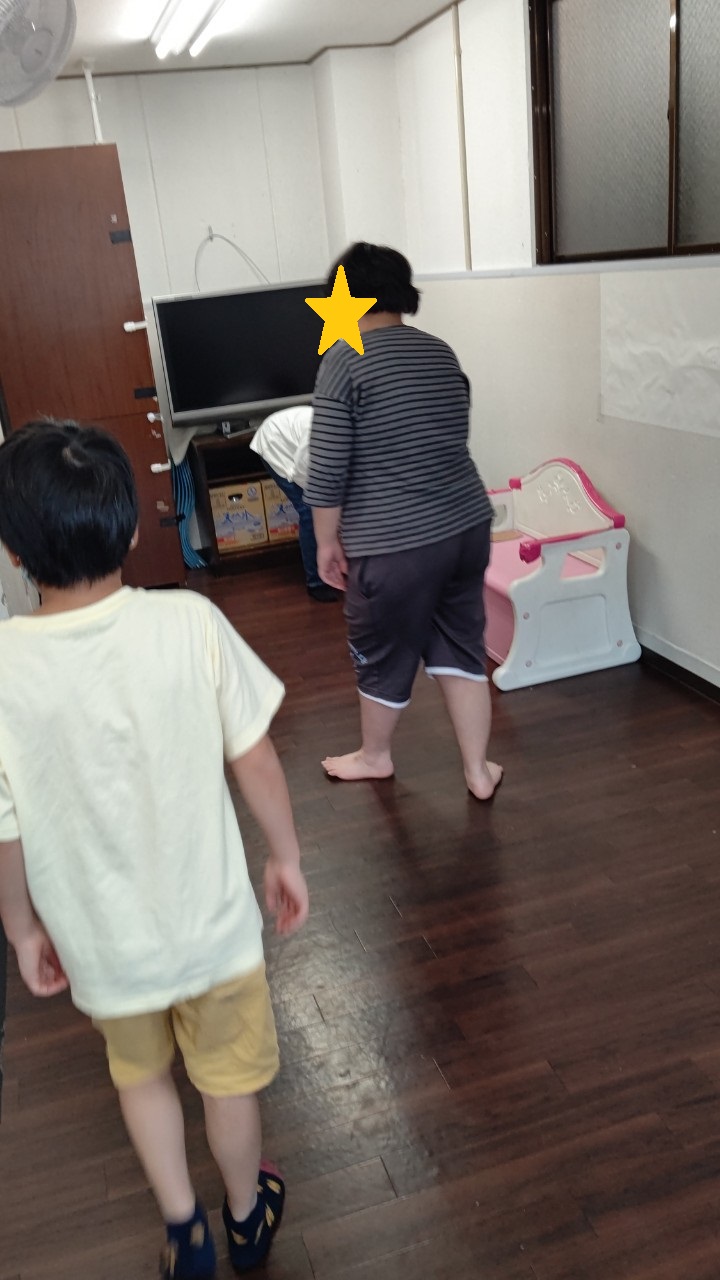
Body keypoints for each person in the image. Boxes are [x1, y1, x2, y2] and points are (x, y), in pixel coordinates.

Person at [0, 421, 309, 1280]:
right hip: (213, 930)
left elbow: (6, 828)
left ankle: (185, 1233)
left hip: (104, 943)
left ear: (14, 551)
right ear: (134, 529)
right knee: (228, 1082)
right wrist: (284, 856)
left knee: (139, 1079)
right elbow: (255, 755)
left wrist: (21, 930)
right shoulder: (190, 622)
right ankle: (245, 1215)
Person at [304, 242, 503, 800]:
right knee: (462, 646)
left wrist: (325, 542)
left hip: (395, 545)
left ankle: (375, 756)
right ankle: (478, 771)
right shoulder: (439, 351)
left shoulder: (343, 360)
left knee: (382, 650)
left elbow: (328, 464)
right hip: (466, 528)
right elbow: (450, 435)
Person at [250, 405, 338, 602]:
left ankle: (335, 568)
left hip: (295, 439)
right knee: (310, 512)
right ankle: (316, 583)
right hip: (276, 443)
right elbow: (301, 470)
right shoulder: (322, 437)